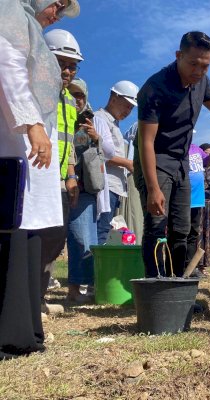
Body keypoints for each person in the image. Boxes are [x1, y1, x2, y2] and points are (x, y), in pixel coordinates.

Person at [134, 31, 210, 277]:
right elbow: (145, 141)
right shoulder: (155, 88)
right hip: (156, 161)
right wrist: (153, 187)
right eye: (193, 64)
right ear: (179, 55)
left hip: (182, 163)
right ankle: (156, 291)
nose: (198, 71)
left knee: (183, 228)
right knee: (157, 227)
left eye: (205, 66)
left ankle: (177, 286)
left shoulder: (201, 82)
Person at [0, 0, 80, 360]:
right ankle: (10, 333)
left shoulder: (26, 22)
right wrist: (32, 124)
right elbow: (9, 68)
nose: (58, 12)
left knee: (26, 233)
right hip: (14, 139)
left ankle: (25, 328)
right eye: (58, 3)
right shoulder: (10, 14)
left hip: (26, 149)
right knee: (11, 229)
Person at [39, 28, 85, 303]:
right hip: (35, 176)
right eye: (61, 64)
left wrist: (71, 176)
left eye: (72, 66)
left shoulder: (69, 101)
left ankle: (39, 296)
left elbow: (68, 143)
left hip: (58, 179)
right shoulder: (36, 92)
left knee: (55, 239)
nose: (67, 71)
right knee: (34, 239)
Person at [66, 77, 115, 302]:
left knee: (85, 238)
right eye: (72, 94)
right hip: (68, 182)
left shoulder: (91, 119)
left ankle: (82, 287)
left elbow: (108, 152)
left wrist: (97, 137)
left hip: (87, 188)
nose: (76, 99)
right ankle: (74, 289)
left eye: (80, 95)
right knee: (73, 237)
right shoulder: (61, 116)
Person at [95, 80, 139, 245]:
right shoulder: (100, 119)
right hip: (105, 186)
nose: (128, 111)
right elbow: (101, 153)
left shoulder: (114, 124)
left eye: (131, 108)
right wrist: (128, 163)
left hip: (115, 187)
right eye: (126, 105)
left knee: (108, 232)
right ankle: (95, 269)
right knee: (102, 231)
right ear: (114, 98)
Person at [185, 140, 210, 276]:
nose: (208, 156)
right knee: (196, 232)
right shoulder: (196, 169)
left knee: (207, 233)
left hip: (209, 202)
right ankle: (194, 263)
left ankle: (204, 265)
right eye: (206, 153)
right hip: (197, 200)